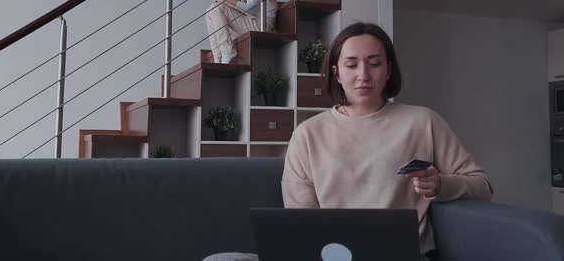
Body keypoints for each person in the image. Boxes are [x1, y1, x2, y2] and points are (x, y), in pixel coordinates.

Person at [204, 22, 494, 261]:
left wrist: (441, 185)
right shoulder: (308, 133)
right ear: (336, 72)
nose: (363, 76)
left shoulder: (422, 122)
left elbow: (482, 186)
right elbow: (302, 222)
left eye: (374, 64)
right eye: (351, 65)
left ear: (389, 69)